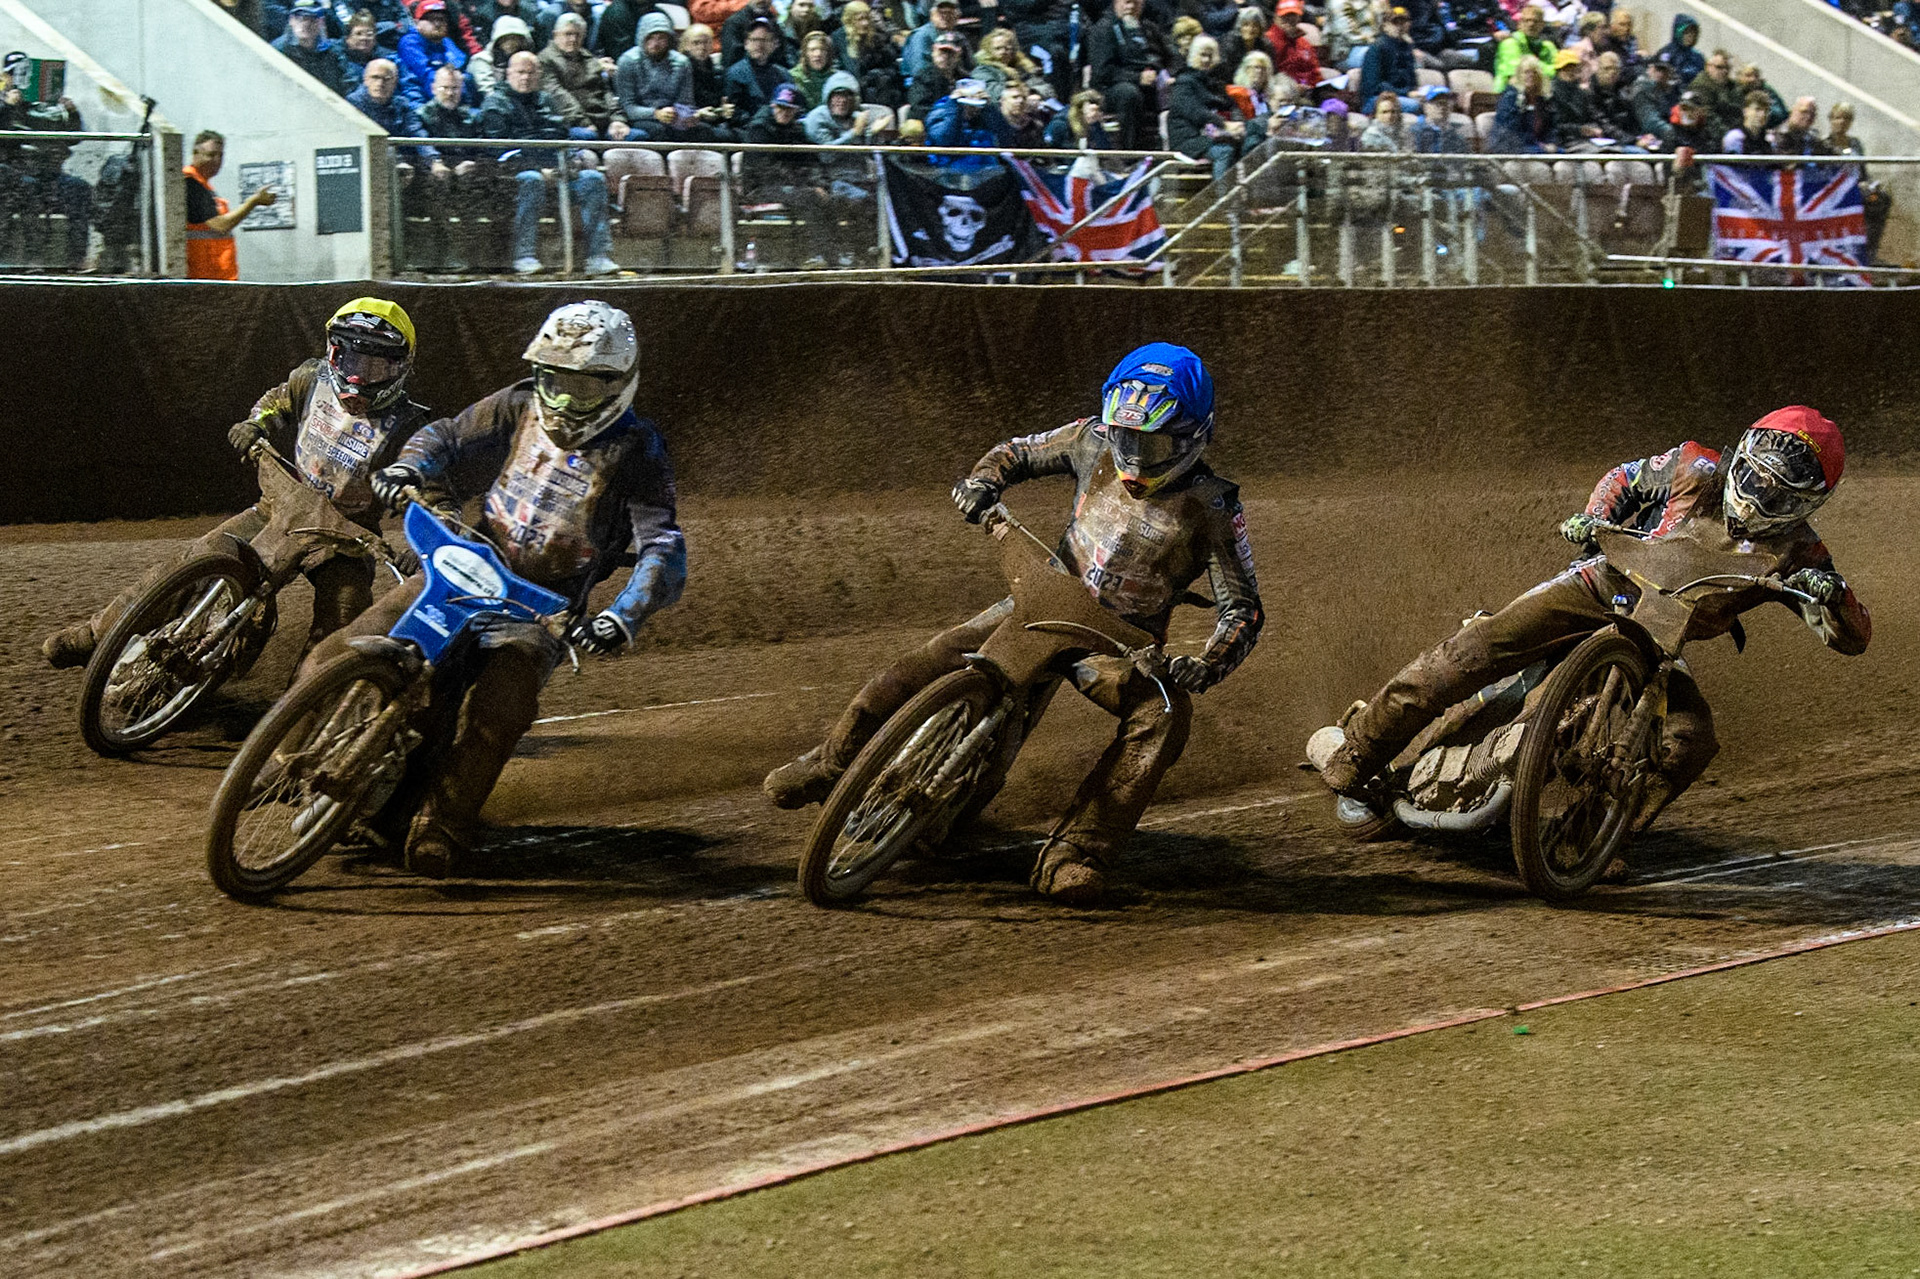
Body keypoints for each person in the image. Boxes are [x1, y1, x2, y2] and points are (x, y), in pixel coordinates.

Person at [762, 343, 1264, 905]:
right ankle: (832, 762)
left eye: (1156, 443)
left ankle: (1078, 852)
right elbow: (1015, 452)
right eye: (1129, 439)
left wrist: (1205, 663)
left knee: (1165, 714)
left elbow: (1243, 607)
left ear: (1196, 435)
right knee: (931, 658)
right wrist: (983, 483)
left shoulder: (1215, 507)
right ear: (1110, 424)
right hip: (1042, 599)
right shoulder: (1089, 439)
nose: (1139, 457)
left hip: (1115, 647)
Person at [1316, 407, 1869, 839]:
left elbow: (1854, 636)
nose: (1759, 494)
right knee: (1473, 649)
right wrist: (1596, 520)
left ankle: (1589, 837)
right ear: (1743, 454)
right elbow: (1622, 478)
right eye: (1756, 477)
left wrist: (1835, 596)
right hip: (1600, 582)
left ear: (1806, 503)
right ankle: (1353, 759)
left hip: (1663, 637)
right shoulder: (1694, 465)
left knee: (1690, 739)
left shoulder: (1802, 554)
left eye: (1778, 492)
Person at [334, 302, 686, 877]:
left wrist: (622, 616)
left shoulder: (639, 449)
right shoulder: (520, 401)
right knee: (351, 643)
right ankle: (290, 747)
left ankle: (441, 825)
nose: (564, 400)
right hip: (468, 561)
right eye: (554, 380)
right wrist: (408, 469)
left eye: (581, 387)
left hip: (541, 608)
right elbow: (446, 434)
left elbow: (662, 546)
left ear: (618, 383)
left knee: (501, 710)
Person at [42, 300, 430, 669]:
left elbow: (423, 486)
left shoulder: (409, 426)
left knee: (345, 614)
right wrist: (255, 423)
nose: (359, 376)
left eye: (375, 366)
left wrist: (420, 544)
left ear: (400, 369)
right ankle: (96, 634)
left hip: (345, 539)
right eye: (350, 360)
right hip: (280, 506)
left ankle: (301, 709)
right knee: (198, 556)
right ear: (333, 353)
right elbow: (275, 401)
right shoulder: (311, 379)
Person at [478, 51, 622, 275]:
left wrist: (570, 160)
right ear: (508, 74)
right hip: (511, 178)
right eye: (520, 72)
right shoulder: (495, 103)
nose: (525, 78)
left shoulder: (546, 100)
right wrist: (537, 169)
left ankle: (598, 256)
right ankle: (524, 255)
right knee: (531, 180)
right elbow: (498, 151)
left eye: (530, 72)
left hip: (557, 172)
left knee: (592, 179)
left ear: (538, 75)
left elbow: (561, 136)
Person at [183, 130, 278, 280]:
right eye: (211, 155)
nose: (217, 161)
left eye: (220, 155)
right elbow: (221, 225)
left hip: (214, 276)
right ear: (195, 154)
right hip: (204, 278)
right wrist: (253, 201)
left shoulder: (203, 186)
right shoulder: (191, 184)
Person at [1089, 0, 1175, 150]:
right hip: (1110, 88)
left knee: (1182, 88)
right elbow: (1102, 72)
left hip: (1151, 83)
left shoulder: (1148, 28)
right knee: (1129, 93)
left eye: (1136, 3)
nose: (1131, 7)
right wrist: (1138, 78)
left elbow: (1171, 56)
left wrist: (1169, 75)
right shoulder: (1103, 29)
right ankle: (1131, 152)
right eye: (1127, 2)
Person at [541, 11, 626, 134]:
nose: (573, 39)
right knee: (588, 136)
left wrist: (617, 119)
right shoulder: (545, 60)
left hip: (604, 120)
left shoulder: (588, 57)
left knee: (638, 136)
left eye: (578, 35)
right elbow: (558, 95)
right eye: (568, 34)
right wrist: (583, 123)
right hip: (573, 123)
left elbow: (605, 91)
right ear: (555, 35)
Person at [1828, 101, 1890, 262]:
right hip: (1838, 191)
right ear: (1831, 120)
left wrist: (1870, 185)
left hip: (1859, 188)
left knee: (1880, 199)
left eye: (1846, 119)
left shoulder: (1855, 144)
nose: (1842, 122)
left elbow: (1863, 172)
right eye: (1838, 118)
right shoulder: (1825, 145)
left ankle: (1870, 250)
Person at [925, 77, 1009, 167]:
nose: (974, 109)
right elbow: (944, 140)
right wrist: (954, 109)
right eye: (969, 105)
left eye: (977, 106)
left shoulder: (985, 114)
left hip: (986, 173)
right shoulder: (942, 111)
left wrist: (990, 109)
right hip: (946, 171)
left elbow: (1005, 140)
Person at [724, 18, 798, 121]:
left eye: (765, 40)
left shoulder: (784, 74)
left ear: (775, 44)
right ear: (746, 44)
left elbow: (794, 105)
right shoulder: (736, 73)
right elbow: (733, 112)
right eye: (754, 40)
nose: (759, 45)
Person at [837, 1, 907, 108]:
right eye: (860, 19)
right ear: (849, 20)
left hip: (882, 90)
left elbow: (892, 66)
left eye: (867, 18)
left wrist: (875, 75)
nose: (865, 23)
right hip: (852, 92)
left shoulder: (879, 37)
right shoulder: (838, 40)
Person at [399, 0, 470, 100]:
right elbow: (426, 75)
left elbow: (460, 67)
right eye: (431, 19)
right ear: (417, 22)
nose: (437, 24)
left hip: (451, 97)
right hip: (420, 100)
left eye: (441, 19)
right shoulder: (410, 43)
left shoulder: (446, 41)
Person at [272, 0, 348, 94]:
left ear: (321, 22)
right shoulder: (278, 50)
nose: (305, 24)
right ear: (291, 20)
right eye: (299, 18)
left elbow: (348, 83)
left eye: (312, 19)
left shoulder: (333, 52)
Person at [1358, 6, 1419, 112]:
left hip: (1401, 96)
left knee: (1431, 102)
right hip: (1376, 99)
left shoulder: (1407, 48)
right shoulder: (1377, 47)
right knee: (1414, 106)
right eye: (1395, 22)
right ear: (1385, 26)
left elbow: (1411, 80)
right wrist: (1405, 93)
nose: (1400, 26)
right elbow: (1375, 86)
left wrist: (1415, 92)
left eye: (1404, 22)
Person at [1491, 54, 1554, 153]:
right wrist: (1539, 145)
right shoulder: (1511, 98)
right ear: (1519, 75)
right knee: (1541, 168)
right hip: (1511, 148)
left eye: (1534, 72)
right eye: (1526, 72)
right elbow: (1511, 131)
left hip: (1537, 148)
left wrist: (1551, 142)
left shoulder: (1543, 101)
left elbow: (1551, 127)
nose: (1531, 76)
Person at [908, 30, 968, 120]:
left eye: (951, 53)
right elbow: (919, 110)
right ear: (933, 52)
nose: (945, 57)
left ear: (959, 55)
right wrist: (950, 104)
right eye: (942, 52)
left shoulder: (965, 78)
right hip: (933, 125)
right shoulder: (923, 77)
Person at [1492, 4, 1555, 91]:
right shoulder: (1510, 43)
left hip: (1539, 93)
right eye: (1527, 20)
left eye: (1535, 21)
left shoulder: (1548, 46)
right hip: (1508, 93)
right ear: (1520, 23)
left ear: (1542, 25)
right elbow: (1516, 70)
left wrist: (1533, 66)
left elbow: (1558, 71)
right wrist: (1543, 68)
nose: (1531, 24)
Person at [1266, 0, 1324, 93]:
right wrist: (1292, 87)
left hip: (1311, 91)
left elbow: (1315, 71)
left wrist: (1318, 86)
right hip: (1283, 92)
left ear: (1299, 18)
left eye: (1293, 15)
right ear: (1276, 17)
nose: (1289, 19)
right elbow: (1269, 75)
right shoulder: (1268, 41)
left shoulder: (1304, 43)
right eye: (1285, 15)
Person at [903, 0, 966, 82]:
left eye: (950, 13)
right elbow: (919, 71)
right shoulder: (921, 36)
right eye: (941, 13)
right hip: (923, 84)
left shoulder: (958, 37)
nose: (945, 17)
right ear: (932, 15)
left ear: (957, 16)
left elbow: (970, 66)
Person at [1686, 49, 1741, 138]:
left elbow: (1739, 110)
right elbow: (1708, 116)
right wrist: (1729, 135)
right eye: (1719, 67)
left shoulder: (1733, 86)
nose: (1724, 71)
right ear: (1708, 67)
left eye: (1727, 68)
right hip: (1709, 136)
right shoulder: (1701, 86)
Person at [1045, 87, 1117, 148]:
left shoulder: (1094, 124)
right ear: (1080, 109)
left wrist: (1095, 125)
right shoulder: (1060, 123)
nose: (1096, 113)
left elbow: (1104, 149)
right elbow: (1050, 148)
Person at [1655, 12, 1704, 84]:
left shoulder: (1698, 57)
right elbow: (1660, 77)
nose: (1690, 36)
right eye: (1686, 32)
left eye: (1693, 33)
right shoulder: (1666, 53)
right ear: (1678, 33)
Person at [1721, 89, 1774, 155]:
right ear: (1745, 111)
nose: (1762, 115)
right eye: (1757, 109)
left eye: (1766, 110)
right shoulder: (1734, 138)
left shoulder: (1769, 139)